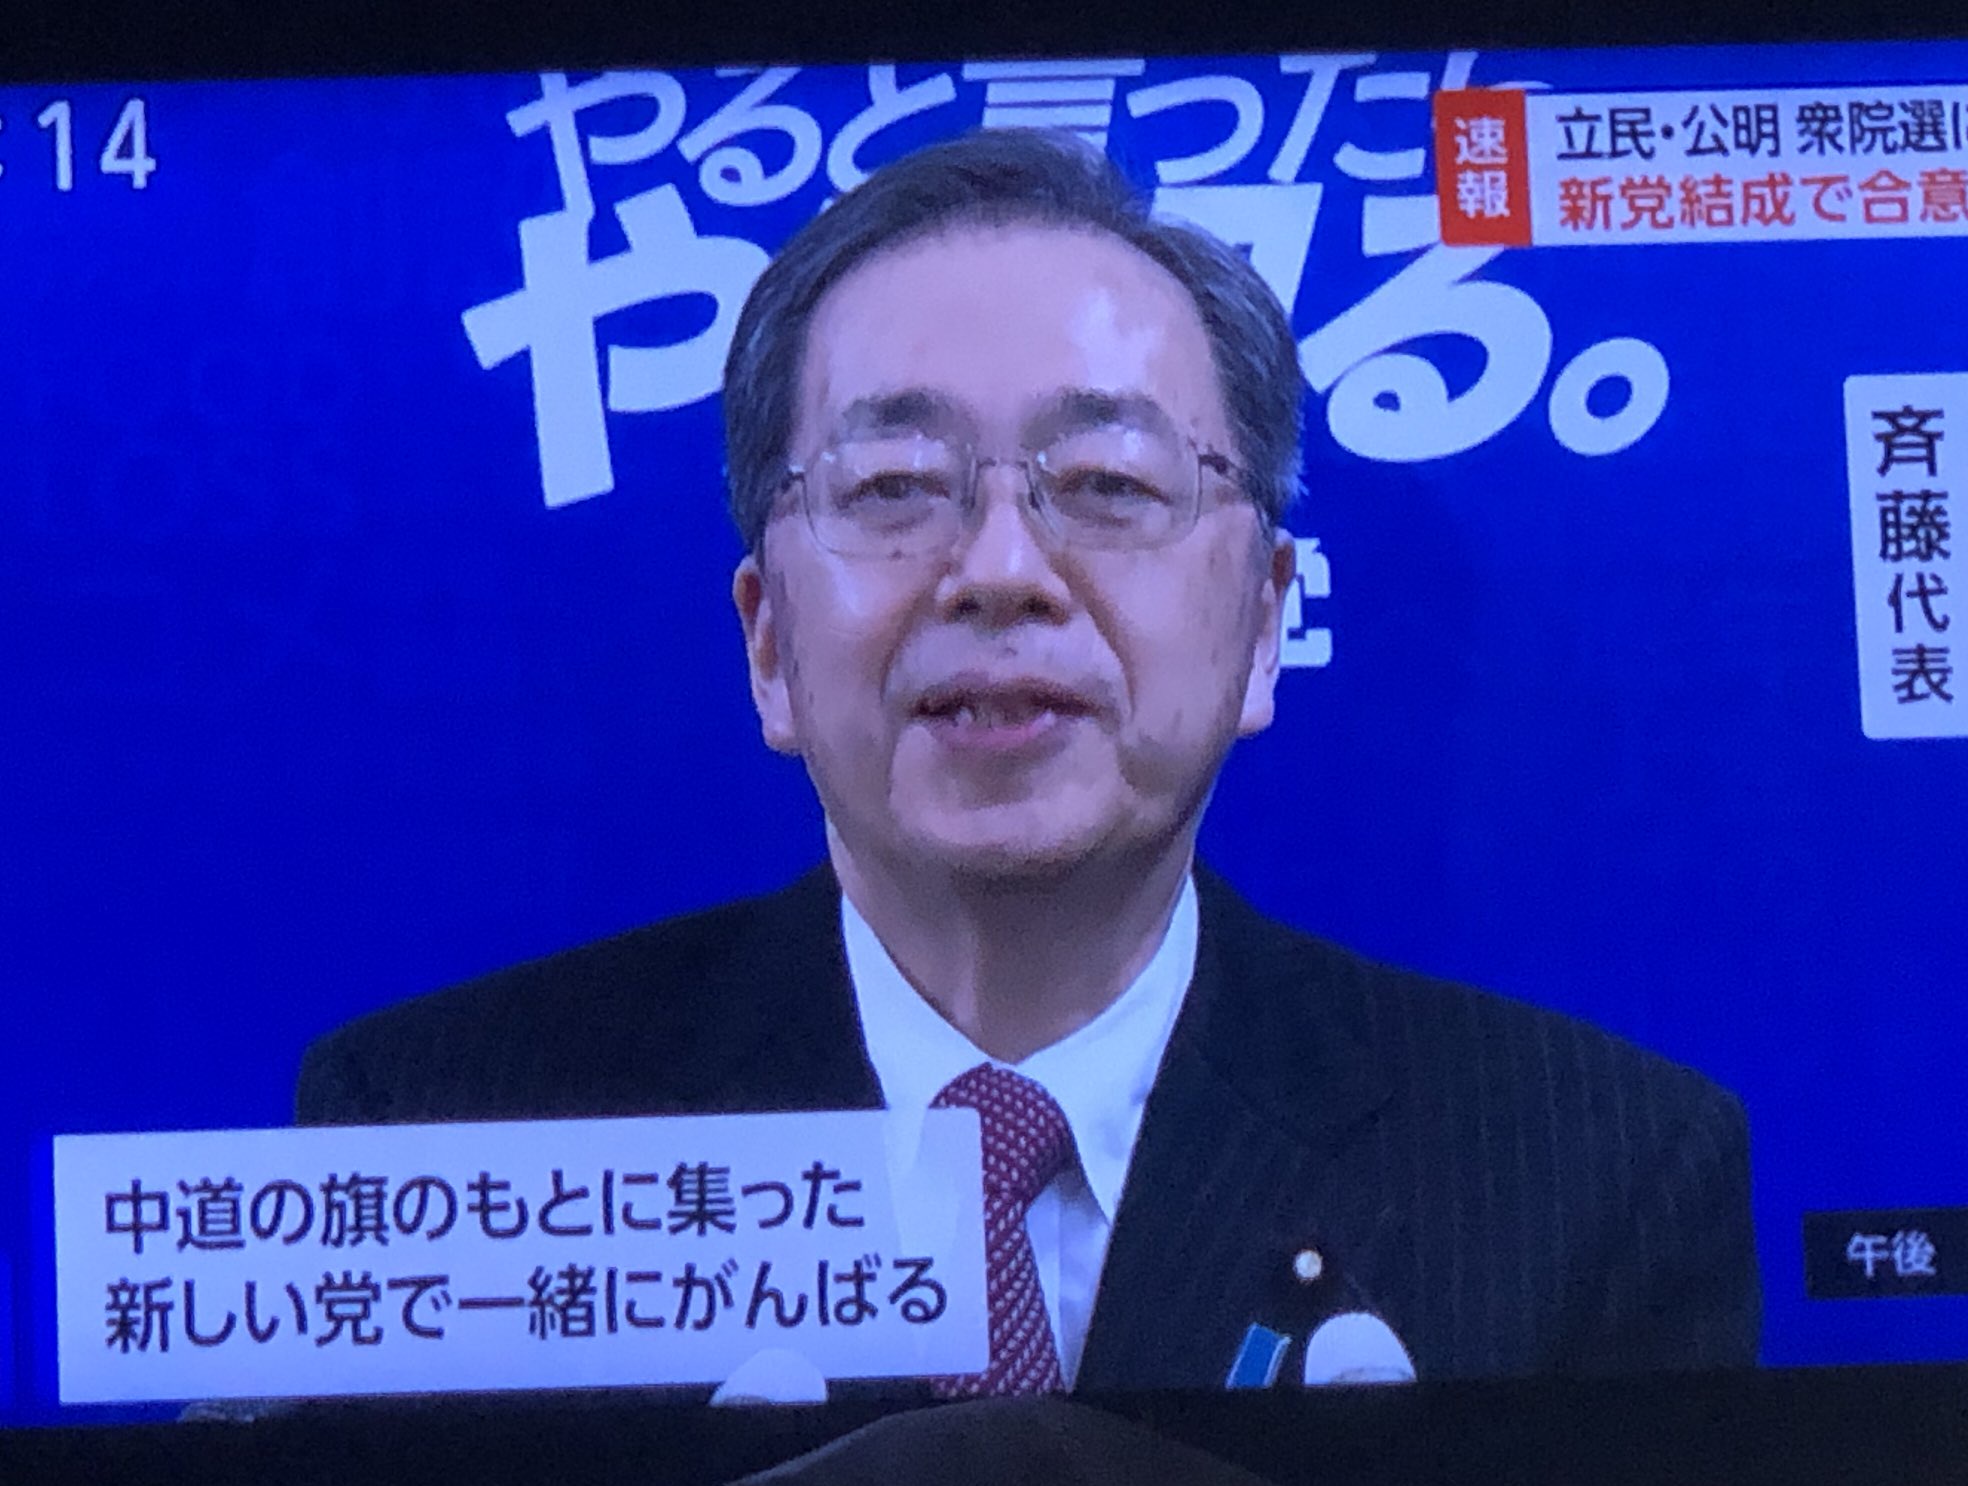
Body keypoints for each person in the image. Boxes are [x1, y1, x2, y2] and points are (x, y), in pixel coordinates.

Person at [297, 128, 1761, 1394]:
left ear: (1263, 626)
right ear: (768, 643)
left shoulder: (1598, 1179)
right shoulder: (434, 1137)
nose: (1000, 571)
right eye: (893, 486)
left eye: (1109, 484)